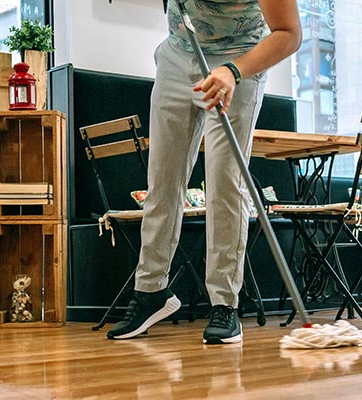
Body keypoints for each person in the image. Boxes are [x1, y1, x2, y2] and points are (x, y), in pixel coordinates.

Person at [107, 0, 302, 344]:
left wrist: (234, 71)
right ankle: (151, 291)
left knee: (225, 183)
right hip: (179, 53)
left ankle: (224, 304)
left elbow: (289, 34)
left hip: (240, 58)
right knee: (162, 181)